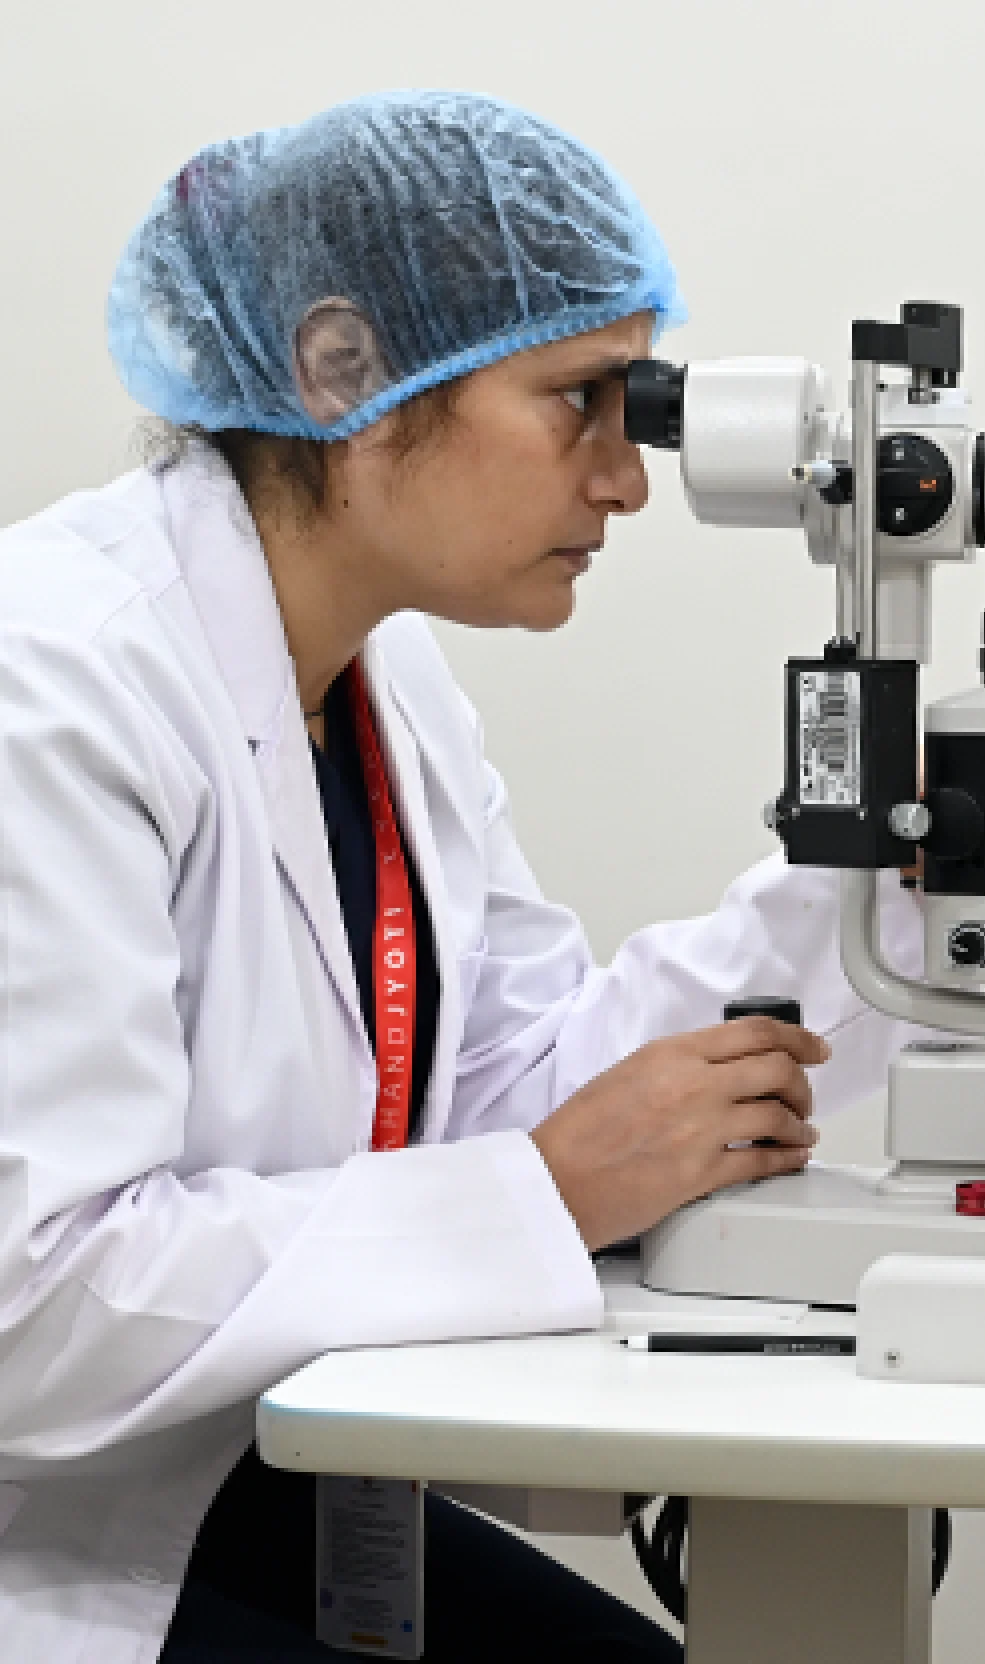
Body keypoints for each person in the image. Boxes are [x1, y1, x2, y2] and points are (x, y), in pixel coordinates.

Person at [0, 91, 921, 1662]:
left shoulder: (390, 683)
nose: (626, 480)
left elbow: (501, 1081)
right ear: (341, 371)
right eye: (580, 401)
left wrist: (879, 897)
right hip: (60, 1522)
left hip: (255, 1469)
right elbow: (42, 1302)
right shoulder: (56, 681)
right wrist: (544, 1193)